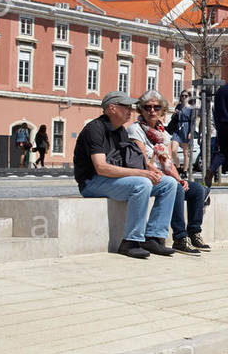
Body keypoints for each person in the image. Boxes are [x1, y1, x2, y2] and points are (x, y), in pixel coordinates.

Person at [73, 91, 178, 258]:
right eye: (126, 107)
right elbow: (101, 167)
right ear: (112, 108)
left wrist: (150, 169)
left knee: (169, 184)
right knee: (141, 184)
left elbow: (128, 159)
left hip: (113, 180)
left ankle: (154, 237)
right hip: (92, 182)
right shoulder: (94, 129)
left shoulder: (120, 130)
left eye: (131, 107)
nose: (131, 110)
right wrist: (141, 173)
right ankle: (131, 241)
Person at [129, 90, 211, 255]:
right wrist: (173, 180)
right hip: (147, 175)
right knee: (176, 188)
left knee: (197, 190)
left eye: (156, 107)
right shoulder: (135, 130)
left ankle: (194, 232)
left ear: (162, 111)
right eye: (147, 107)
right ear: (141, 110)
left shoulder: (163, 134)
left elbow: (169, 163)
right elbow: (143, 161)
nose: (152, 110)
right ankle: (180, 238)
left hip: (163, 176)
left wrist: (179, 178)